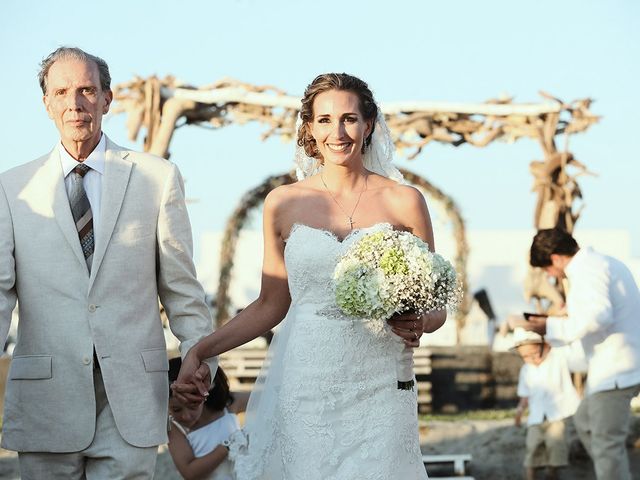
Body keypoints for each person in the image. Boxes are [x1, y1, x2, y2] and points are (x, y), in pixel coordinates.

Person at [172, 73, 447, 479]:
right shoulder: (283, 203)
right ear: (309, 128)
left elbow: (436, 303)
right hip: (307, 377)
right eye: (324, 120)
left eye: (349, 119)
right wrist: (202, 349)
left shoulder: (404, 201)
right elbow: (270, 304)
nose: (337, 132)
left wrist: (420, 321)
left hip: (383, 377)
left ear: (368, 124)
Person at [0, 46, 215, 479]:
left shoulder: (157, 177)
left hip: (132, 400)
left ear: (107, 99)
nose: (75, 104)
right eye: (62, 92)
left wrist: (199, 360)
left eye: (86, 90)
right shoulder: (11, 188)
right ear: (47, 104)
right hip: (47, 399)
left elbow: (182, 289)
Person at [525, 228, 640, 480]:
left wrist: (549, 326)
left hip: (616, 369)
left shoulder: (587, 269)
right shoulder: (601, 263)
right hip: (614, 367)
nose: (549, 275)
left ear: (555, 258)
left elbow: (598, 316)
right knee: (585, 421)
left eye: (546, 269)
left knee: (606, 446)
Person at [512, 328, 582, 480]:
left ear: (547, 347)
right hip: (535, 417)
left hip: (556, 416)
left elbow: (564, 341)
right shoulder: (526, 370)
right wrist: (519, 413)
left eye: (534, 353)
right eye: (525, 356)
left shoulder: (558, 359)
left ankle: (552, 475)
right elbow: (525, 395)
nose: (531, 358)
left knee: (556, 449)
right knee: (532, 448)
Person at [168, 358, 249, 480]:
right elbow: (189, 472)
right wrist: (227, 446)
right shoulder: (174, 428)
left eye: (192, 405)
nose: (186, 416)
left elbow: (269, 398)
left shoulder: (227, 404)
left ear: (204, 394)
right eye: (176, 409)